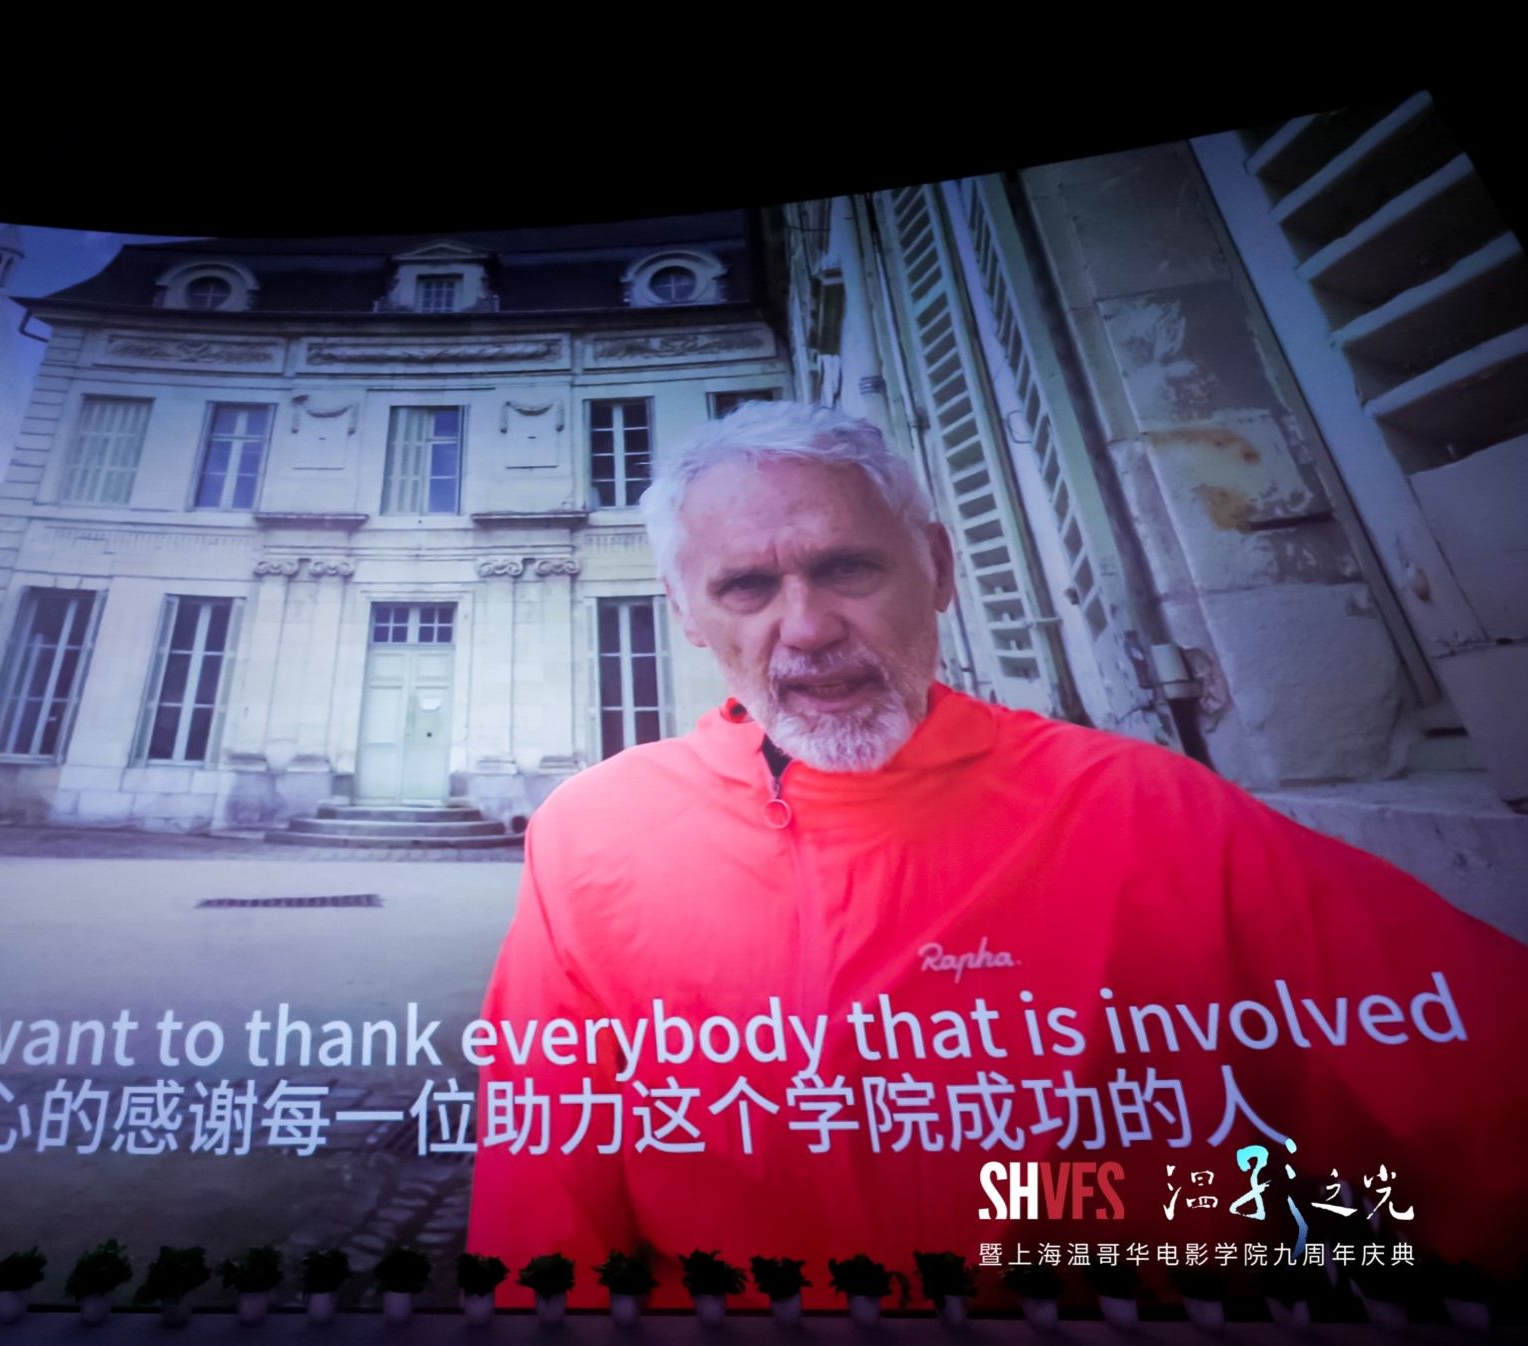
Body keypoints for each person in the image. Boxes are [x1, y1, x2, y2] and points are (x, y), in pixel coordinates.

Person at [466, 400, 1528, 1310]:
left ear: (935, 567)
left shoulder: (1145, 807)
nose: (807, 627)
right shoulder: (592, 834)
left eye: (846, 567)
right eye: (746, 586)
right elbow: (543, 1199)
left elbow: (1478, 1091)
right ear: (687, 614)